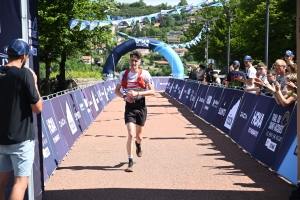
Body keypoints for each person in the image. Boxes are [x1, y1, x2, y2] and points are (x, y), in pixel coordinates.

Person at [0, 39, 42, 200]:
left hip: (0, 138)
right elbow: (37, 108)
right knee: (20, 183)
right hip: (21, 138)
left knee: (1, 183)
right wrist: (35, 83)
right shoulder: (25, 75)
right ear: (24, 56)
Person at [115, 51, 155, 172]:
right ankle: (130, 161)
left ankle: (139, 144)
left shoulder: (145, 74)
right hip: (129, 107)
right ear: (129, 61)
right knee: (131, 135)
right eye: (132, 60)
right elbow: (116, 91)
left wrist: (137, 93)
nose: (134, 63)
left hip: (141, 106)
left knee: (139, 136)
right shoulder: (123, 74)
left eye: (136, 61)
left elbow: (152, 91)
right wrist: (125, 97)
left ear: (139, 62)